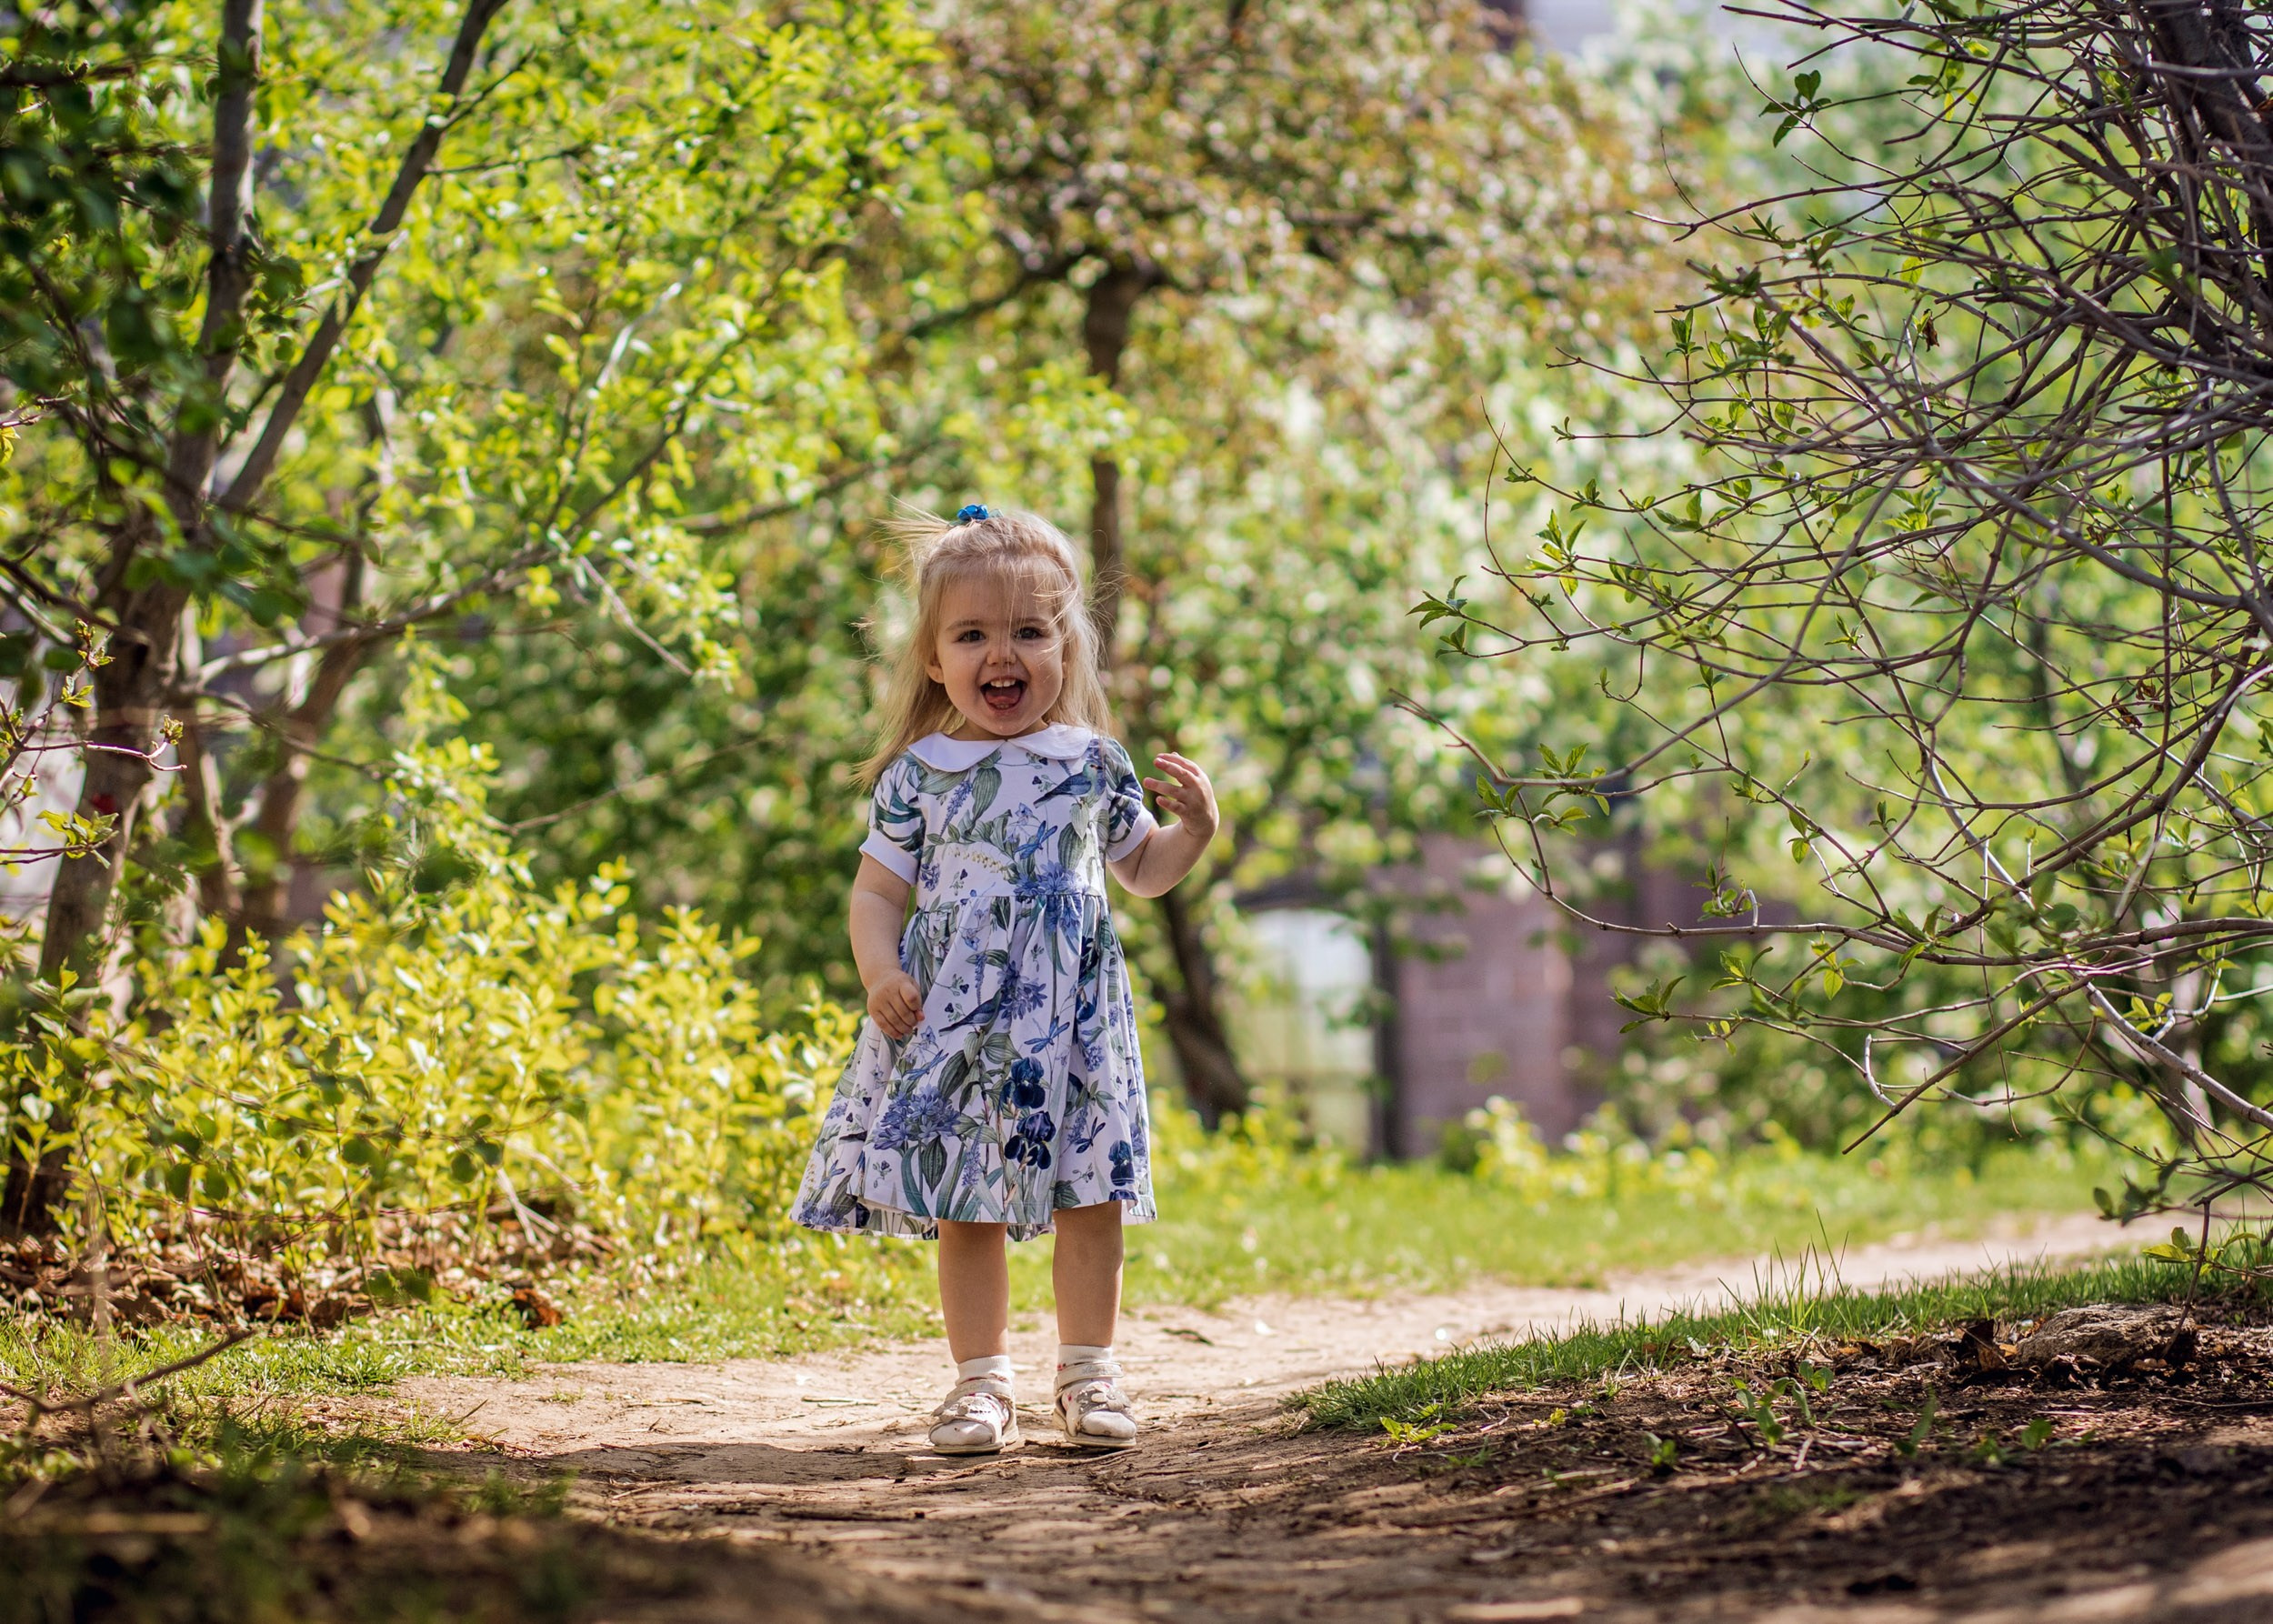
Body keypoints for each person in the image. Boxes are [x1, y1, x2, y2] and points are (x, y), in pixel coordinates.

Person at [791, 503, 1219, 1454]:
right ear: (935, 659)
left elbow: (1141, 871)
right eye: (973, 634)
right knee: (964, 1202)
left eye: (1030, 631)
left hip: (1070, 1020)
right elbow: (874, 893)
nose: (1004, 654)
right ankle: (980, 1388)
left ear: (1066, 648)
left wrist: (1193, 832)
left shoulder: (1090, 763)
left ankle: (1088, 1375)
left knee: (1090, 1195)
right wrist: (878, 970)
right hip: (957, 1019)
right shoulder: (918, 774)